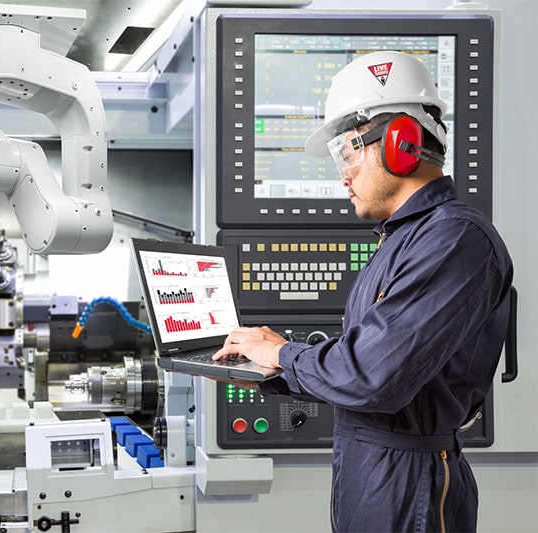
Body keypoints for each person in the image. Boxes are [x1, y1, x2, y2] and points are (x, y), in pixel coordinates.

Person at [212, 51, 513, 532]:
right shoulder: (404, 239)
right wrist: (264, 370)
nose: (343, 172)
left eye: (348, 151)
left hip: (408, 486)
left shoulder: (454, 240)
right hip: (372, 473)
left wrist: (283, 354)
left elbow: (373, 375)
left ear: (401, 142)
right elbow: (364, 364)